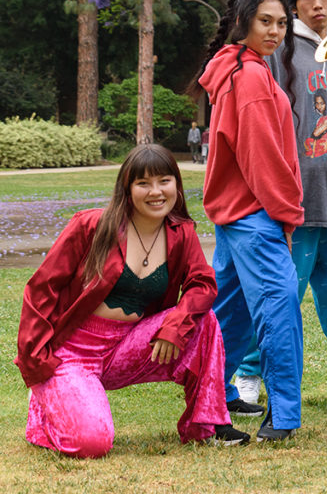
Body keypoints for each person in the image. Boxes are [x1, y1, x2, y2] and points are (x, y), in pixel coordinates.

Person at [16, 144, 248, 457]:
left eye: (164, 181)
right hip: (72, 354)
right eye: (143, 183)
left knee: (204, 322)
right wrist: (36, 359)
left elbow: (202, 284)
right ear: (127, 189)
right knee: (92, 444)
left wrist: (174, 326)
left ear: (177, 186)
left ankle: (205, 425)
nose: (156, 192)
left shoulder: (182, 233)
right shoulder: (90, 226)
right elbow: (42, 289)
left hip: (128, 347)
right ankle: (51, 397)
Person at [233, 0, 327, 409]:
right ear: (293, 5)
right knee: (275, 296)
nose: (318, 5)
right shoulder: (278, 47)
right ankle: (249, 375)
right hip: (292, 201)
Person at [193, 0, 305, 442]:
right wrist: (288, 213)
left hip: (233, 215)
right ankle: (282, 413)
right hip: (257, 215)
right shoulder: (253, 76)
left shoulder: (232, 66)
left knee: (231, 312)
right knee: (278, 310)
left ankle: (211, 397)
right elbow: (262, 158)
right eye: (266, 22)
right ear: (243, 22)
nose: (275, 32)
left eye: (282, 23)